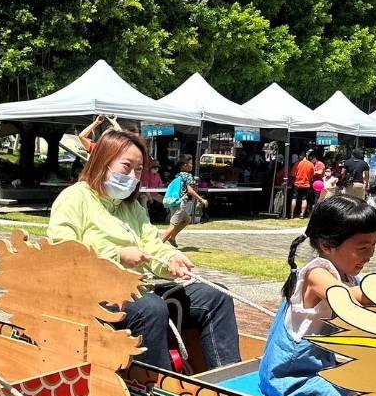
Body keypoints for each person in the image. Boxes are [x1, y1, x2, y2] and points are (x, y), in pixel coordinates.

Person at [47, 130, 241, 372]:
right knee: (151, 308)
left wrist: (171, 259)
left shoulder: (133, 207)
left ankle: (227, 379)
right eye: (126, 167)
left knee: (217, 295)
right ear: (102, 162)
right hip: (92, 297)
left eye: (138, 170)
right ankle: (157, 389)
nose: (132, 176)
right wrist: (117, 254)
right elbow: (62, 251)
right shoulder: (74, 198)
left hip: (137, 291)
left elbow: (152, 245)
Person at [259, 195, 376, 396]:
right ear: (327, 246)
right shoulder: (316, 274)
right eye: (362, 247)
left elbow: (365, 295)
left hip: (322, 370)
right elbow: (348, 299)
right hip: (292, 378)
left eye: (374, 244)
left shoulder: (349, 275)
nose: (370, 254)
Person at [160, 154, 208, 248]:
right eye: (191, 163)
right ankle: (158, 246)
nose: (192, 165)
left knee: (187, 220)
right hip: (180, 204)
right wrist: (201, 199)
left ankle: (172, 238)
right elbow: (190, 190)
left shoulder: (179, 175)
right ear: (185, 165)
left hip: (175, 202)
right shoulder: (188, 176)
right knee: (173, 225)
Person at [289, 151, 314, 219]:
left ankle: (291, 214)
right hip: (306, 184)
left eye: (300, 156)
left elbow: (292, 174)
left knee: (294, 198)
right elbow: (312, 175)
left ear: (302, 156)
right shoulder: (311, 164)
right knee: (304, 199)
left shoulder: (297, 164)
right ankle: (302, 214)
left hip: (297, 184)